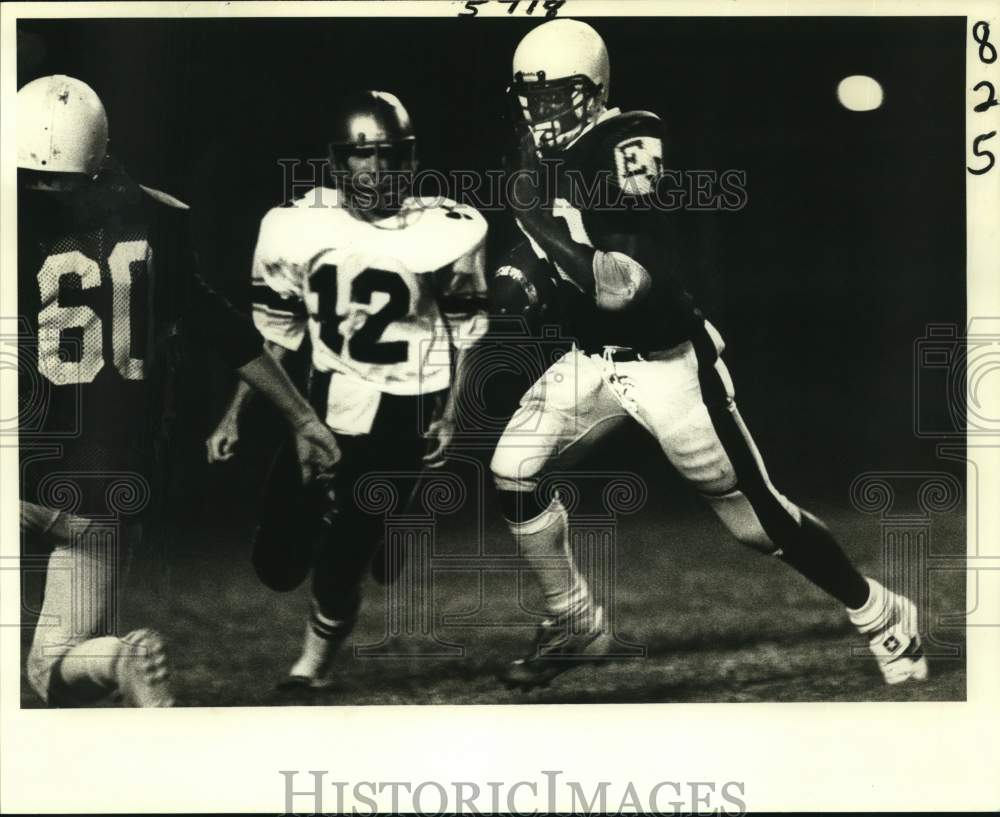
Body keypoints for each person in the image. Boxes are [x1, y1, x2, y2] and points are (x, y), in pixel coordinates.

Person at [489, 20, 927, 689]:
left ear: (595, 90)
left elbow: (626, 284)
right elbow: (556, 257)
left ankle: (880, 610)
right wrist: (527, 274)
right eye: (532, 96)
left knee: (759, 523)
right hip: (594, 359)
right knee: (514, 468)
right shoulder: (537, 155)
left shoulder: (626, 138)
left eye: (558, 96)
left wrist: (539, 231)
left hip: (669, 365)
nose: (542, 111)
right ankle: (574, 618)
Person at [17, 75, 341, 707]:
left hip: (18, 468)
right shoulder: (158, 218)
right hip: (107, 486)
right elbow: (223, 330)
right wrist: (303, 419)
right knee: (54, 671)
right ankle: (118, 659)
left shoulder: (14, 217)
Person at [206, 91, 488, 689]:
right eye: (364, 156)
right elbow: (274, 335)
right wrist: (234, 414)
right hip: (323, 400)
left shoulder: (443, 229)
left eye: (389, 156)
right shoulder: (295, 225)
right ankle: (386, 525)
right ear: (339, 162)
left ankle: (313, 666)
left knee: (345, 554)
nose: (376, 170)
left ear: (409, 161)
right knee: (278, 565)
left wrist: (451, 415)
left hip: (405, 405)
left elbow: (466, 333)